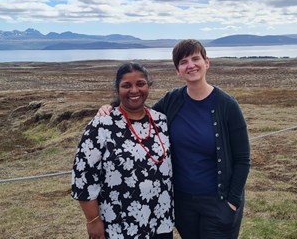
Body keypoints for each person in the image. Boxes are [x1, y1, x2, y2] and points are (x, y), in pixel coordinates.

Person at [99, 39, 251, 238]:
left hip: (218, 202)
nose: (190, 65)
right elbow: (142, 116)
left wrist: (232, 201)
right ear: (177, 71)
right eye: (183, 61)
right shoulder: (173, 100)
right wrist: (112, 108)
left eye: (195, 58)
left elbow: (243, 159)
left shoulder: (227, 105)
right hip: (182, 203)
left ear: (207, 62)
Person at [71, 62, 173, 239]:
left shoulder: (161, 121)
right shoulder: (101, 125)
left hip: (160, 222)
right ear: (117, 89)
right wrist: (93, 221)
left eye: (140, 84)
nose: (134, 90)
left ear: (148, 85)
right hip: (119, 226)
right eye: (127, 85)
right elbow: (83, 178)